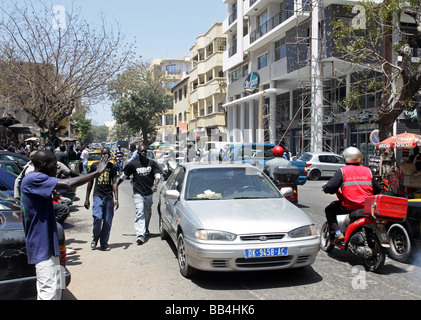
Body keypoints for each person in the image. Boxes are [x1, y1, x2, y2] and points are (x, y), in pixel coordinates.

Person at [20, 149, 108, 300]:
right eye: (55, 164)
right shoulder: (34, 178)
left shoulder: (38, 178)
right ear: (45, 164)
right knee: (48, 291)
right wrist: (96, 173)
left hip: (50, 243)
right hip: (41, 245)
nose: (57, 168)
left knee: (57, 286)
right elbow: (68, 184)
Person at [322, 147, 382, 243]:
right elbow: (377, 188)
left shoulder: (343, 171)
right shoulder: (367, 170)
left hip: (350, 206)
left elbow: (331, 187)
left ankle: (337, 233)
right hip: (367, 206)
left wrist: (325, 188)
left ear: (345, 158)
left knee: (329, 210)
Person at [117, 145, 162, 245]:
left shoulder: (152, 163)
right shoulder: (133, 164)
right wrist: (116, 185)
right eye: (142, 151)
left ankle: (145, 229)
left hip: (149, 192)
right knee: (140, 211)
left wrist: (155, 185)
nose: (144, 153)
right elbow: (124, 176)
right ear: (138, 152)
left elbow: (157, 175)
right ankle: (140, 235)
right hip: (138, 192)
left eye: (145, 151)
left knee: (147, 212)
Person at [84, 147, 119, 251]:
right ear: (100, 155)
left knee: (108, 221)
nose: (105, 156)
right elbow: (90, 182)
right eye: (103, 154)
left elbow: (114, 183)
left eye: (107, 154)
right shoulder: (95, 166)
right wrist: (87, 198)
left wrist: (116, 198)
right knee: (98, 218)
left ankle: (104, 243)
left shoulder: (112, 167)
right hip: (97, 196)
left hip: (108, 197)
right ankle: (95, 238)